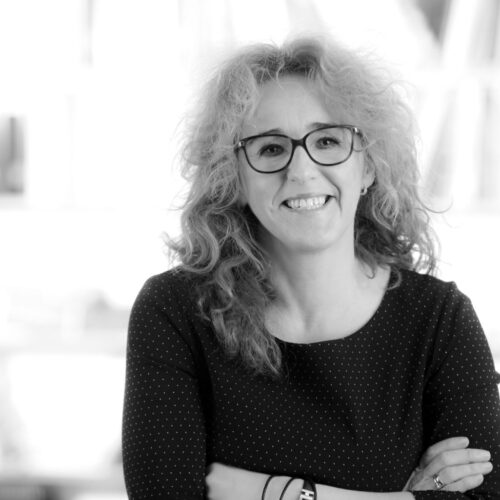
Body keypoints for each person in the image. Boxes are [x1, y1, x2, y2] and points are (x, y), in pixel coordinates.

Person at [122, 36, 500, 500]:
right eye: (270, 148)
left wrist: (262, 492)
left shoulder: (440, 320)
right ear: (234, 176)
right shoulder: (175, 312)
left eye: (327, 141)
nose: (301, 171)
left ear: (368, 167)